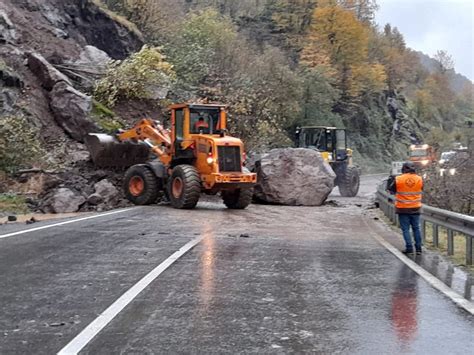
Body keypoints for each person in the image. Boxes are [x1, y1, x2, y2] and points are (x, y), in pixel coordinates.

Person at [387, 161, 423, 255]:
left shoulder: (398, 179)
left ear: (404, 168)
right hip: (416, 207)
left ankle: (409, 248)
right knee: (416, 228)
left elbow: (391, 190)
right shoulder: (419, 179)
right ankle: (419, 249)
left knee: (405, 229)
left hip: (402, 208)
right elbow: (421, 189)